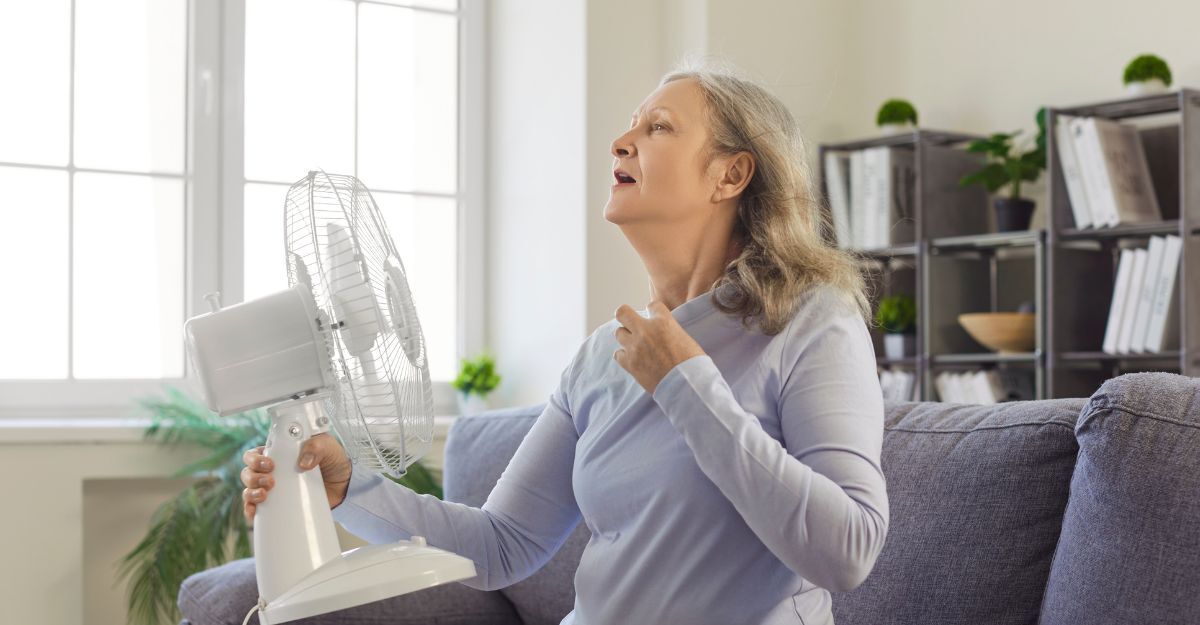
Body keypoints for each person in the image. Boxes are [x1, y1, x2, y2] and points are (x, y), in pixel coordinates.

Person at [241, 63, 889, 625]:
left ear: (731, 173)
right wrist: (349, 487)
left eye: (658, 127)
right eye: (631, 127)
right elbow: (501, 545)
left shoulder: (811, 323)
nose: (621, 142)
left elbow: (848, 552)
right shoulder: (601, 357)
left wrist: (685, 384)